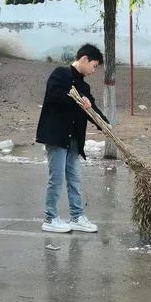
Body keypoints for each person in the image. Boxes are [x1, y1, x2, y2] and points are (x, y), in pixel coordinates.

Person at [36, 43, 110, 233]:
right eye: (94, 65)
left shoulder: (83, 85)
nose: (94, 70)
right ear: (84, 59)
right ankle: (50, 218)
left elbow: (90, 108)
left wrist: (104, 124)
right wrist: (77, 101)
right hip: (57, 136)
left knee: (74, 178)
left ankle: (77, 217)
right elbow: (55, 98)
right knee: (57, 178)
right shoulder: (60, 75)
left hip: (74, 139)